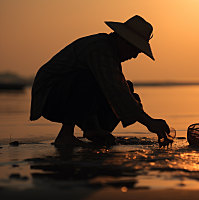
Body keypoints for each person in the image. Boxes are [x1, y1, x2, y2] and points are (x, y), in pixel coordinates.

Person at [30, 15, 170, 146]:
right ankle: (66, 134)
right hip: (50, 98)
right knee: (92, 79)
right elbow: (115, 89)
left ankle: (93, 129)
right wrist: (149, 122)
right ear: (122, 40)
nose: (134, 56)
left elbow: (119, 89)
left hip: (68, 96)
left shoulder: (110, 53)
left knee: (128, 89)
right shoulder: (100, 48)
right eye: (135, 50)